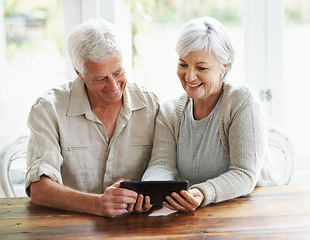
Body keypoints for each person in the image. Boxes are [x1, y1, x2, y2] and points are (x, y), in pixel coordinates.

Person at [141, 16, 280, 212]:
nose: (189, 76)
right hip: (203, 216)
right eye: (183, 64)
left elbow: (244, 174)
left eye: (201, 68)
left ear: (223, 67)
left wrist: (203, 193)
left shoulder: (241, 101)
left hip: (256, 211)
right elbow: (161, 165)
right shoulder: (170, 111)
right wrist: (149, 191)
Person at [25, 18, 159, 217]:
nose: (114, 87)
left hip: (134, 224)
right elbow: (39, 189)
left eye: (118, 72)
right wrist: (97, 204)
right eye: (100, 78)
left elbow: (164, 166)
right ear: (79, 73)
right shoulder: (48, 109)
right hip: (70, 226)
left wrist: (148, 193)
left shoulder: (149, 104)